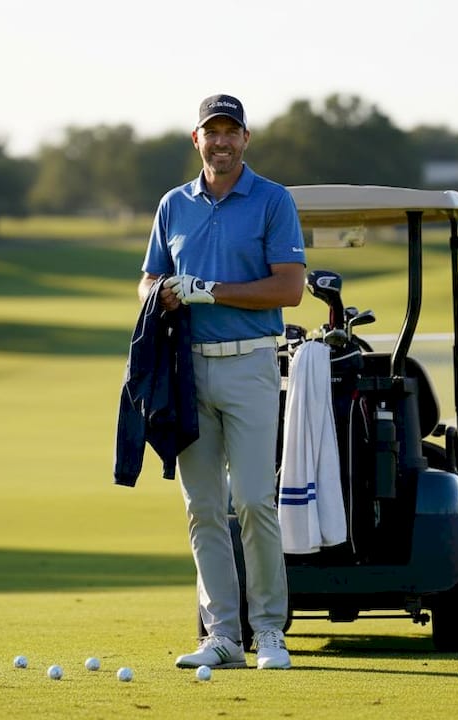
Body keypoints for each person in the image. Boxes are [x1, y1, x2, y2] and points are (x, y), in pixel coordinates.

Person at [138, 93, 305, 671]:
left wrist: (211, 292)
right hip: (187, 369)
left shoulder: (272, 200)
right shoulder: (173, 204)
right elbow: (147, 279)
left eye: (232, 131)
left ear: (246, 139)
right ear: (197, 140)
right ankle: (223, 636)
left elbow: (289, 289)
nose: (222, 141)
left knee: (255, 501)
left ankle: (270, 631)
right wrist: (161, 291)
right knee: (204, 506)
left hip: (250, 363)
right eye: (212, 132)